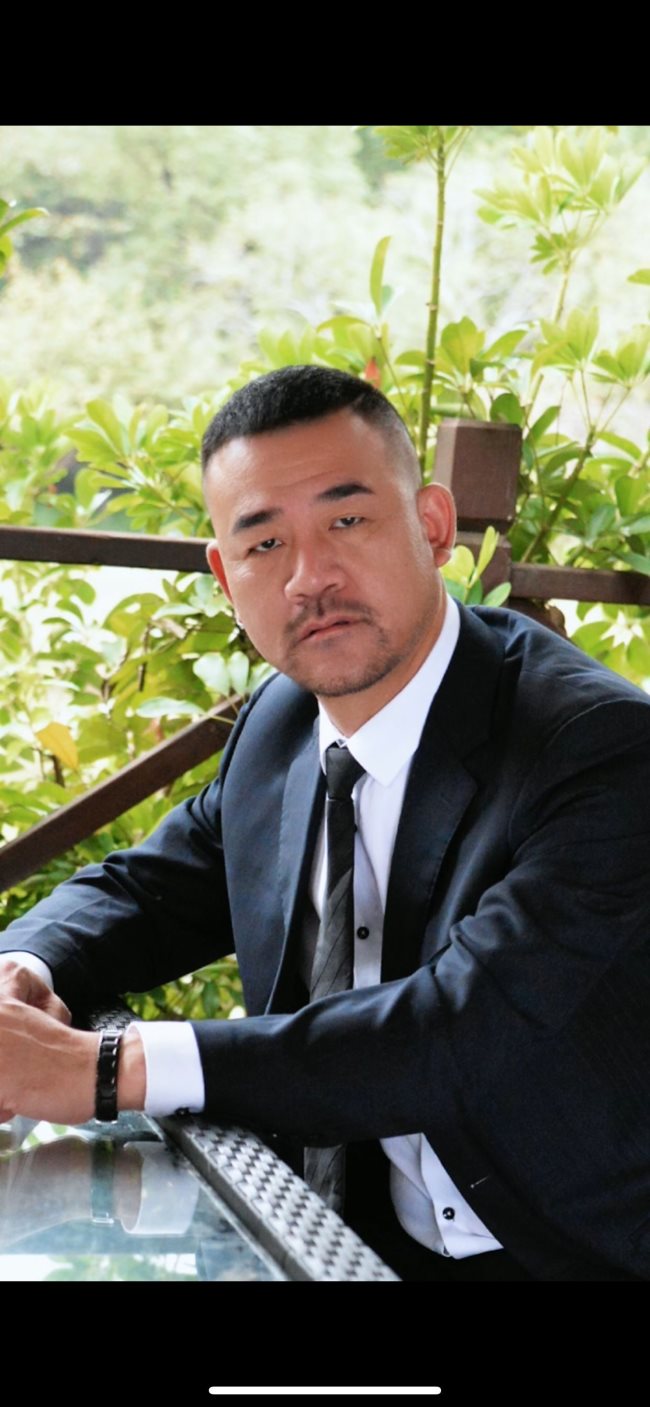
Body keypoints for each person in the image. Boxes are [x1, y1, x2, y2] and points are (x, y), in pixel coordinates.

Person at [0, 366, 649, 1283]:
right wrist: (23, 969)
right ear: (225, 578)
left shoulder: (598, 747)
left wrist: (106, 1069)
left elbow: (456, 1031)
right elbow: (151, 889)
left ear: (433, 526)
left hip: (564, 1252)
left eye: (347, 520)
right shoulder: (280, 723)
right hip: (325, 1234)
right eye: (264, 542)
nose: (310, 577)